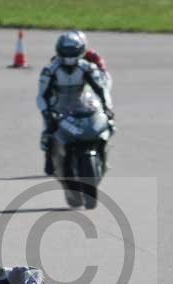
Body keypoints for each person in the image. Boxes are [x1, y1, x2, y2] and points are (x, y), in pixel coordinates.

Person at [37, 30, 114, 178]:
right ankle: (49, 157)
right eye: (65, 52)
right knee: (49, 131)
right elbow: (41, 95)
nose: (69, 57)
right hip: (58, 105)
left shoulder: (88, 67)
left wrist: (107, 108)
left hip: (81, 103)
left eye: (72, 52)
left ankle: (102, 155)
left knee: (107, 124)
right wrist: (47, 112)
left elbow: (102, 89)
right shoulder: (50, 70)